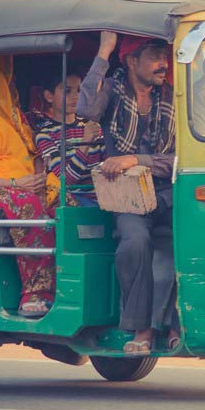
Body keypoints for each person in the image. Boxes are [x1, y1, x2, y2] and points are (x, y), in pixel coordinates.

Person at [77, 31, 179, 354]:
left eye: (164, 56)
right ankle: (142, 331)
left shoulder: (174, 98)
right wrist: (105, 51)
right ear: (131, 61)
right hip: (127, 199)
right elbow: (85, 107)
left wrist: (135, 160)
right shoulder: (113, 91)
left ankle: (177, 324)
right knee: (134, 242)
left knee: (199, 232)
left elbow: (179, 160)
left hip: (168, 192)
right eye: (153, 56)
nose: (163, 64)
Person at [0, 56, 59, 317]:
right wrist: (15, 183)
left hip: (25, 182)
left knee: (65, 201)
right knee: (27, 207)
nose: (6, 91)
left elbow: (34, 154)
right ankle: (34, 294)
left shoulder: (11, 118)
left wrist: (40, 183)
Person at [31, 71, 105, 206]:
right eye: (67, 91)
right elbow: (67, 180)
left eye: (79, 90)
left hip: (105, 197)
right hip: (74, 202)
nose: (76, 96)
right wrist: (85, 142)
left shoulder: (93, 127)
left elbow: (107, 165)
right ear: (49, 96)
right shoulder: (45, 135)